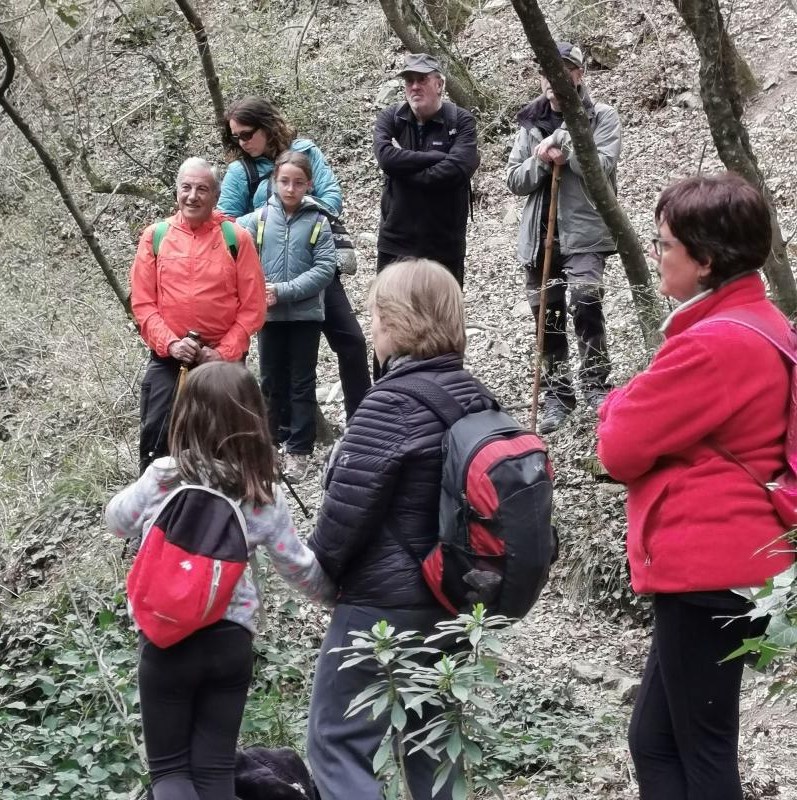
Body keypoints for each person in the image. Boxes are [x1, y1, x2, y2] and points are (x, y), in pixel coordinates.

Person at [596, 173, 795, 800]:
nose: (658, 256)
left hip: (709, 572)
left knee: (703, 753)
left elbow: (617, 446)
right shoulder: (761, 324)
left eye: (665, 245)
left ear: (705, 261)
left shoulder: (712, 345)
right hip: (732, 566)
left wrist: (619, 402)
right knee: (654, 740)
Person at [306, 258, 495, 800]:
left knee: (337, 742)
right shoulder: (476, 397)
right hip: (455, 601)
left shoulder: (389, 402)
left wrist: (321, 569)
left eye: (375, 316)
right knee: (434, 749)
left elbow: (344, 519)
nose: (372, 328)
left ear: (395, 322)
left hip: (382, 607)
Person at [105, 361, 335, 800]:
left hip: (166, 640)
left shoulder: (165, 476)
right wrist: (337, 597)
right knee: (214, 773)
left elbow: (117, 520)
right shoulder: (261, 490)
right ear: (254, 418)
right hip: (230, 641)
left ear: (185, 414)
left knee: (170, 772)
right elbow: (298, 567)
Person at [218, 96, 371, 422]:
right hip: (270, 278)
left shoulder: (306, 152)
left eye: (247, 134)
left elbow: (332, 197)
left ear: (268, 126)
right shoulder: (238, 172)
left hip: (316, 267)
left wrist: (294, 210)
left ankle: (363, 421)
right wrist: (271, 218)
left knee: (352, 342)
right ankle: (281, 436)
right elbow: (228, 228)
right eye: (236, 137)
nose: (242, 143)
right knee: (279, 364)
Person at [507, 42, 621, 435]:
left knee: (587, 298)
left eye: (565, 69)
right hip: (541, 237)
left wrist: (565, 148)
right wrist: (540, 159)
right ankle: (557, 395)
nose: (556, 79)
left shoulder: (601, 116)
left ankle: (596, 384)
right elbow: (514, 180)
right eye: (548, 71)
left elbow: (602, 166)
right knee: (548, 315)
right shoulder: (529, 121)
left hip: (586, 232)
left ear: (579, 74)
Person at [130, 157, 265, 474]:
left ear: (215, 195)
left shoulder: (236, 238)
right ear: (176, 191)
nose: (192, 196)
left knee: (226, 442)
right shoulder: (155, 236)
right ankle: (157, 513)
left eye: (202, 189)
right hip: (169, 359)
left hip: (223, 363)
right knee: (158, 439)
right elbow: (143, 303)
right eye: (186, 188)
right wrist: (171, 344)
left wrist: (221, 352)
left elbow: (253, 307)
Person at [238, 151, 336, 483]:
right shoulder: (258, 220)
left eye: (298, 183)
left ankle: (299, 451)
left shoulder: (319, 220)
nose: (290, 189)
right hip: (270, 318)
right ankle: (269, 447)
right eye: (284, 182)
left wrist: (282, 290)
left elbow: (324, 270)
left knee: (302, 382)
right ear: (274, 182)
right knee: (269, 382)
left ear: (309, 184)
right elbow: (233, 245)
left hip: (306, 316)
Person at [373, 53, 480, 289]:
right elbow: (387, 159)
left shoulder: (461, 121)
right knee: (393, 320)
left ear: (439, 84)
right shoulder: (390, 118)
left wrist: (405, 170)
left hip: (444, 245)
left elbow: (457, 169)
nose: (414, 86)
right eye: (409, 81)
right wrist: (436, 157)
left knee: (441, 322)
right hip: (396, 242)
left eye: (421, 79)